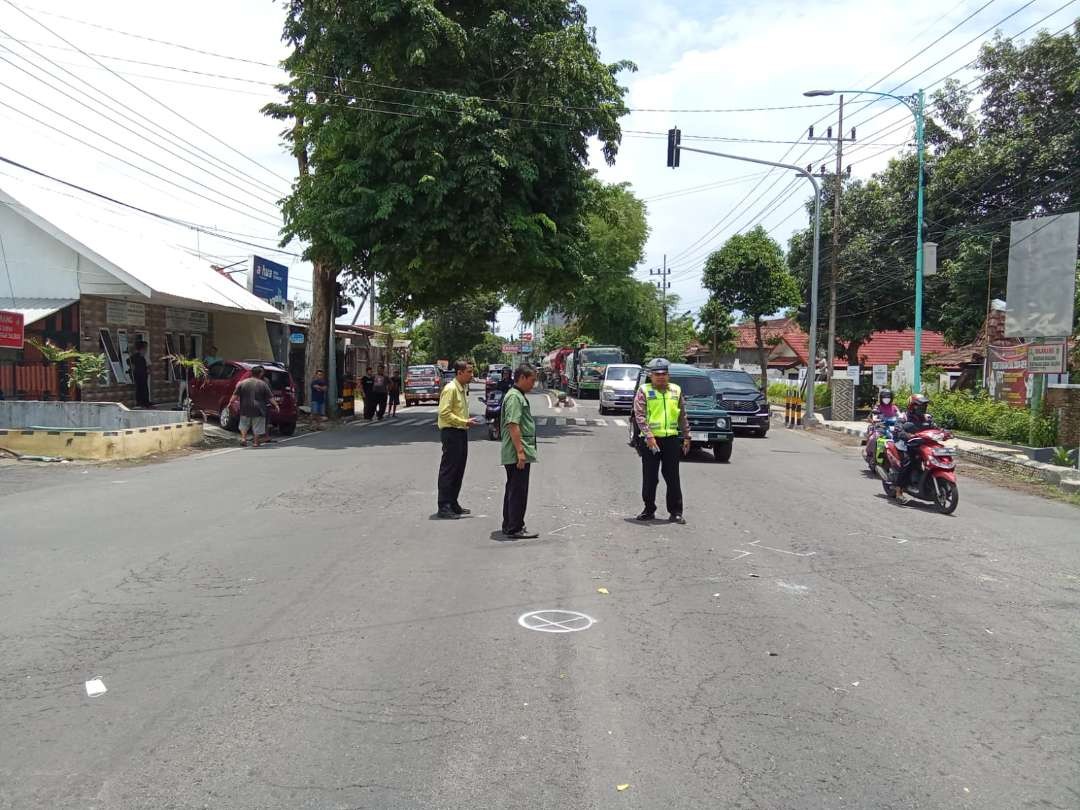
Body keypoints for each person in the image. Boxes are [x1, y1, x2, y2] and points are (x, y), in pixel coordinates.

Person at [632, 358, 691, 524]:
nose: (661, 377)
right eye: (657, 374)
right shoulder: (644, 390)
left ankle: (676, 512)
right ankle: (649, 509)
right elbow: (640, 415)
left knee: (672, 477)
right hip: (651, 441)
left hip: (671, 439)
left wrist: (687, 436)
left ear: (668, 375)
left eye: (664, 374)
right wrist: (649, 436)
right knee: (650, 477)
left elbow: (682, 415)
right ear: (651, 375)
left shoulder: (676, 390)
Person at [436, 359, 483, 519]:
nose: (472, 375)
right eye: (469, 372)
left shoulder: (462, 388)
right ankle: (444, 505)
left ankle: (453, 502)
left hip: (461, 431)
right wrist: (464, 421)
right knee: (449, 469)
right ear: (459, 373)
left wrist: (466, 422)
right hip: (451, 432)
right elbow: (444, 413)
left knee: (459, 469)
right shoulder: (451, 389)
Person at [501, 364, 539, 539]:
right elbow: (513, 424)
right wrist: (520, 452)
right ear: (522, 378)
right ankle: (515, 527)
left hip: (516, 451)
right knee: (518, 490)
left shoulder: (517, 395)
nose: (533, 384)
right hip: (516, 452)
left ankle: (510, 523)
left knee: (514, 488)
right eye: (532, 380)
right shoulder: (515, 397)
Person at [892, 394, 935, 498]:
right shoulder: (904, 417)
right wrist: (906, 435)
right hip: (905, 444)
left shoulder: (927, 417)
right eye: (919, 405)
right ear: (911, 406)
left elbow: (935, 428)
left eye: (924, 405)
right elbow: (898, 430)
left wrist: (945, 432)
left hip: (921, 444)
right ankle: (899, 490)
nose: (922, 408)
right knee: (908, 462)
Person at [230, 365, 279, 448]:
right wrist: (276, 405)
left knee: (244, 424)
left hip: (245, 408)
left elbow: (235, 395)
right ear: (260, 374)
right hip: (259, 409)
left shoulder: (243, 383)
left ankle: (243, 439)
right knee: (257, 426)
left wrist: (230, 402)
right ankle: (256, 443)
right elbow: (270, 397)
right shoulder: (263, 384)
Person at [130, 341, 152, 408]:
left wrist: (148, 370)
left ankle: (144, 402)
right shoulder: (137, 356)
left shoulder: (143, 356)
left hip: (142, 374)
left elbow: (148, 365)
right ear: (142, 349)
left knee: (143, 388)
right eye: (145, 349)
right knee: (140, 388)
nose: (145, 350)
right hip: (139, 374)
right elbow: (130, 362)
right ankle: (141, 402)